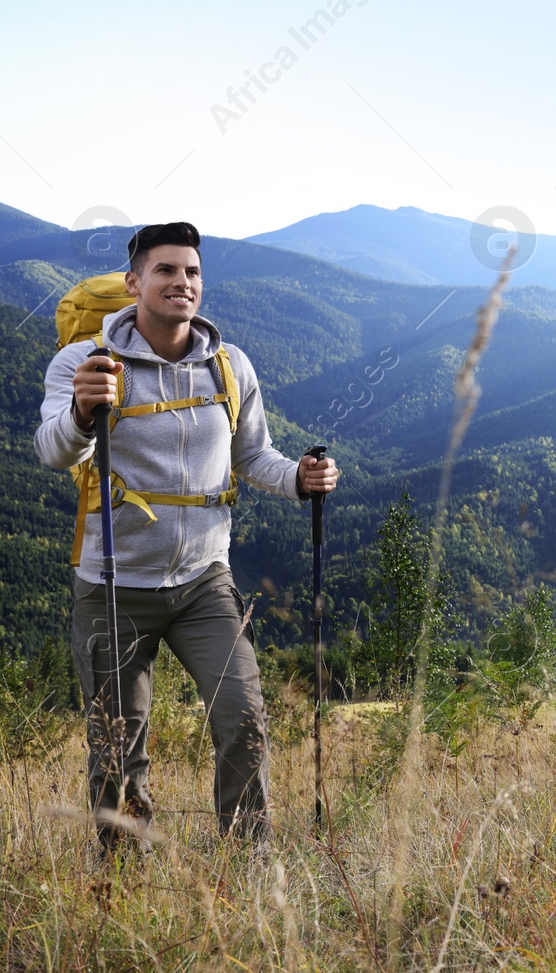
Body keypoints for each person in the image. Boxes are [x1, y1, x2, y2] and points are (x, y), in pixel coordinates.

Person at [34, 221, 338, 853]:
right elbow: (52, 452)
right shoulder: (84, 362)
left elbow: (254, 458)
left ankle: (248, 864)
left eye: (192, 272)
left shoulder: (228, 366)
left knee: (243, 717)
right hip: (112, 583)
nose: (182, 283)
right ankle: (121, 875)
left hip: (204, 581)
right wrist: (83, 414)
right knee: (118, 741)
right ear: (134, 282)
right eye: (166, 270)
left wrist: (302, 482)